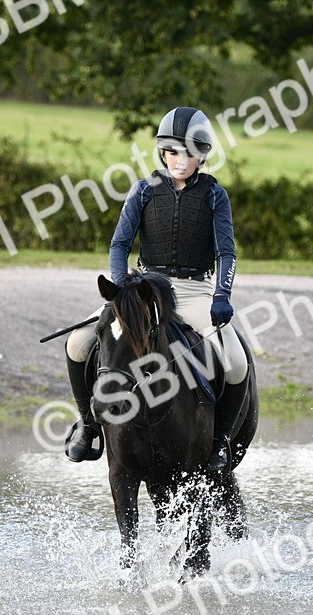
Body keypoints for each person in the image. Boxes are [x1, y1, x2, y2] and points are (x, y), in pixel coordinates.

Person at [63, 106, 249, 470]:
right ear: (162, 153)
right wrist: (122, 290)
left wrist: (221, 295)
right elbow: (119, 245)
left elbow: (226, 252)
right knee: (77, 343)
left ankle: (221, 443)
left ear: (202, 155)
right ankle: (88, 427)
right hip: (144, 289)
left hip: (194, 292)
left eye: (188, 153)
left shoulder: (215, 195)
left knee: (235, 362)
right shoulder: (143, 190)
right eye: (171, 152)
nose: (179, 160)